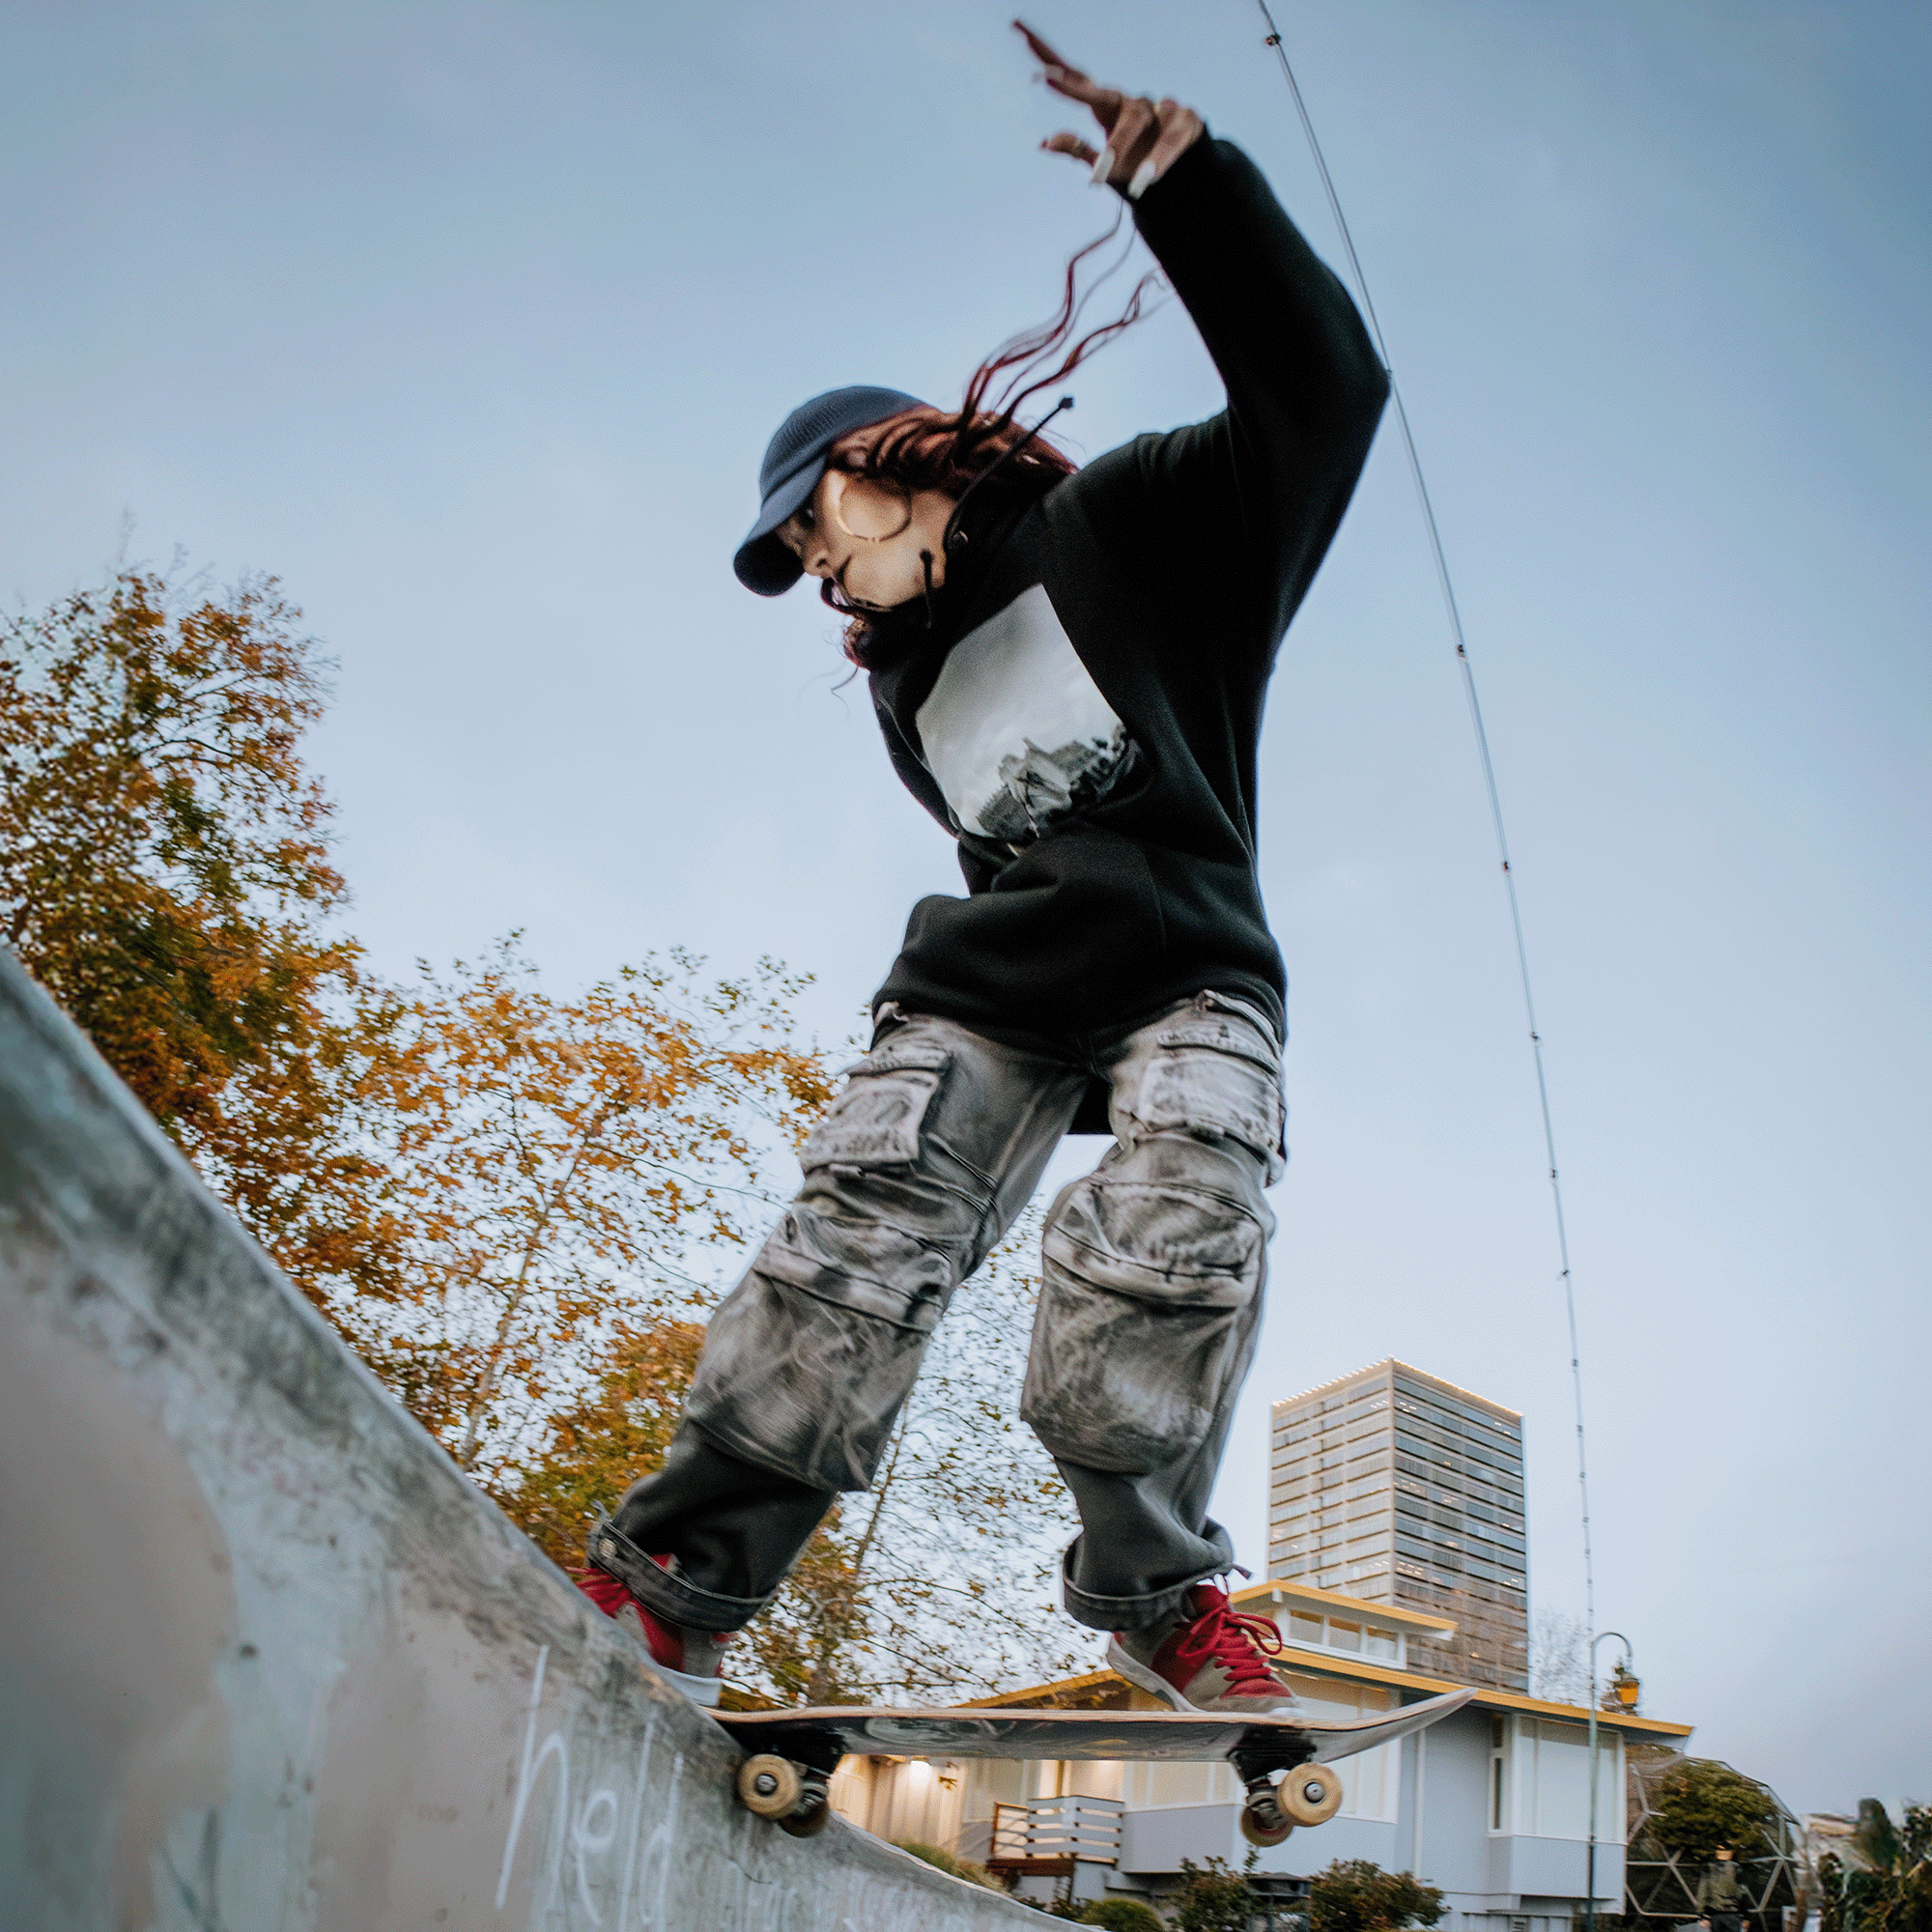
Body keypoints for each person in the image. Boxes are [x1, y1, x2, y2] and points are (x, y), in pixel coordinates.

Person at [578, 23, 1389, 1715]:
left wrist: (1186, 186)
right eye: (801, 555)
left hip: (1192, 965)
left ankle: (1159, 1598)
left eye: (826, 522)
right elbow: (997, 832)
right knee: (854, 1247)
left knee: (1171, 1238)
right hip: (997, 983)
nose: (825, 569)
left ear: (907, 456)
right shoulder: (909, 692)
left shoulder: (1141, 530)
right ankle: (679, 1581)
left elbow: (1325, 394)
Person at [1695, 1845, 1745, 1932]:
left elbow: (1702, 1892)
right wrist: (1746, 1916)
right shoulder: (1736, 1868)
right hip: (1733, 1913)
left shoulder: (1709, 1867)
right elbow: (1742, 1892)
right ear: (1730, 1853)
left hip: (1715, 1914)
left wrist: (1702, 1915)